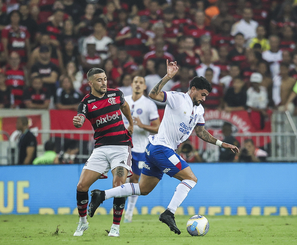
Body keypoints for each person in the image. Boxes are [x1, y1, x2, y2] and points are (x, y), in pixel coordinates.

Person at [88, 60, 239, 235]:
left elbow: (201, 132)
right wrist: (168, 77)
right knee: (191, 179)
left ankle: (102, 195)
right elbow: (153, 94)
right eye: (202, 94)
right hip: (161, 148)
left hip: (156, 149)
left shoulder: (199, 110)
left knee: (143, 189)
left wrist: (222, 143)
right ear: (194, 89)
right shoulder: (178, 98)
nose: (204, 99)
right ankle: (169, 213)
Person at [71, 67, 134, 237]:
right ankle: (83, 222)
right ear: (90, 83)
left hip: (121, 146)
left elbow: (125, 106)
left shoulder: (116, 94)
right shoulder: (86, 103)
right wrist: (78, 122)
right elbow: (80, 118)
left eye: (105, 79)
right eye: (99, 80)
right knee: (82, 186)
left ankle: (115, 227)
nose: (104, 82)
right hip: (100, 148)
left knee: (118, 186)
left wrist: (131, 123)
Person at [122, 75, 160, 223]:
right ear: (131, 84)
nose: (138, 85)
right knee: (121, 178)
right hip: (124, 147)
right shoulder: (123, 101)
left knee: (135, 180)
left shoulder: (149, 104)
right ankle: (120, 211)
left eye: (141, 83)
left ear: (145, 87)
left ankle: (129, 213)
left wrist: (142, 125)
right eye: (135, 82)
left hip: (141, 148)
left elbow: (157, 128)